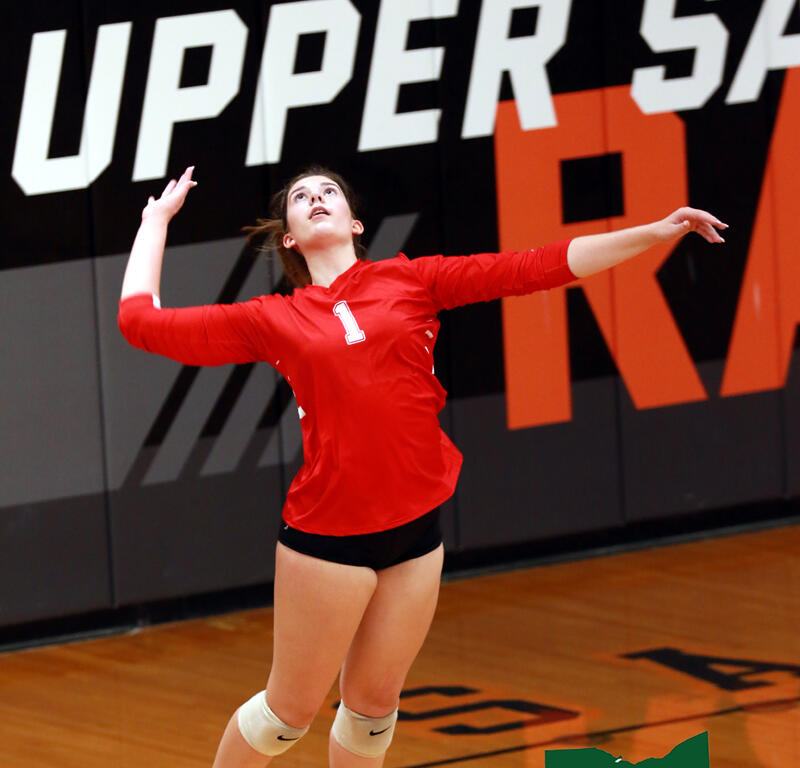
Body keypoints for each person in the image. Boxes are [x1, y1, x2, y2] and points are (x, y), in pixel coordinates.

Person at [118, 165, 726, 768]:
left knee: (372, 715)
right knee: (287, 717)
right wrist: (155, 221)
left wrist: (654, 232)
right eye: (300, 198)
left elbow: (538, 265)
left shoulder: (411, 281)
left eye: (329, 191)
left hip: (414, 532)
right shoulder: (271, 318)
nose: (316, 198)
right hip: (329, 534)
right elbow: (140, 323)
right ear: (290, 239)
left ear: (355, 223)